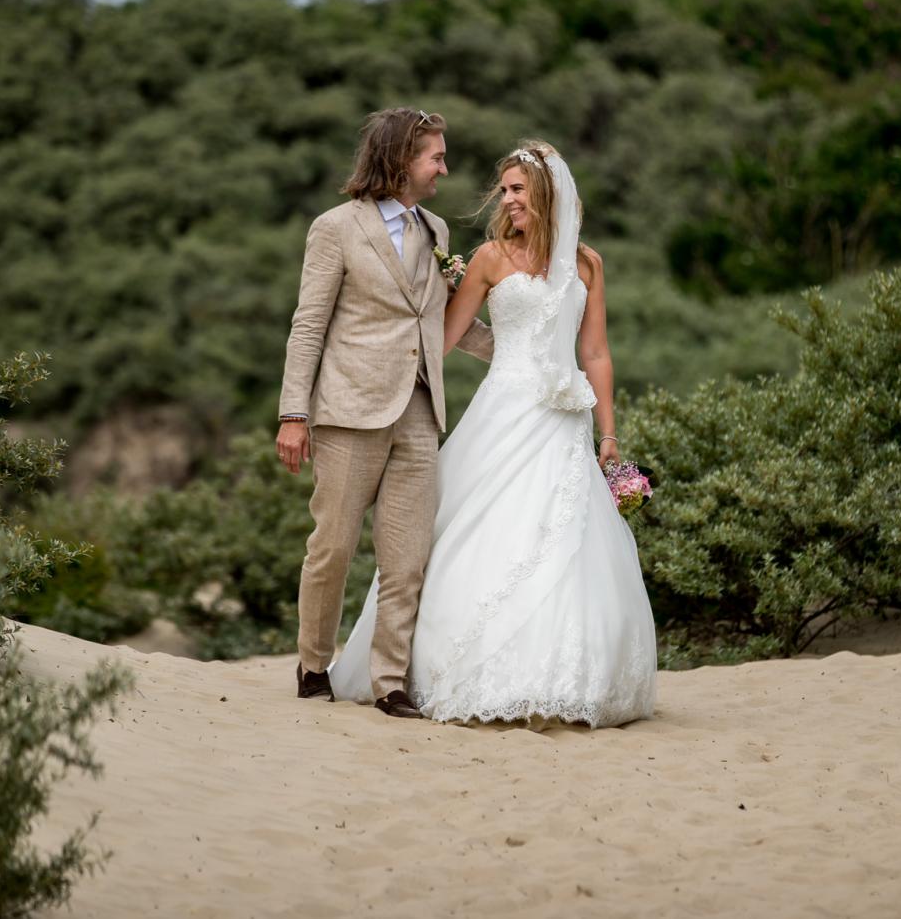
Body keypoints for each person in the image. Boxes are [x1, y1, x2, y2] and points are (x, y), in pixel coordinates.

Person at [330, 141, 658, 728]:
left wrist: (609, 436)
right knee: (475, 532)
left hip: (564, 420)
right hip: (503, 412)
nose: (507, 200)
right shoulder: (489, 258)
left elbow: (596, 351)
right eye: (503, 190)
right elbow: (444, 339)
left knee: (566, 540)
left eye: (517, 189)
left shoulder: (587, 264)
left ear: (548, 193)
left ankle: (566, 677)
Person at [277, 106, 493, 718]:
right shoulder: (335, 228)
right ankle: (313, 662)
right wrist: (294, 413)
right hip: (348, 412)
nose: (444, 168)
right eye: (436, 157)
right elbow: (308, 324)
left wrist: (529, 351)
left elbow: (451, 321)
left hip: (421, 412)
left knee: (407, 558)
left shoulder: (439, 232)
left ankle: (389, 681)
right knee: (334, 548)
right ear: (401, 161)